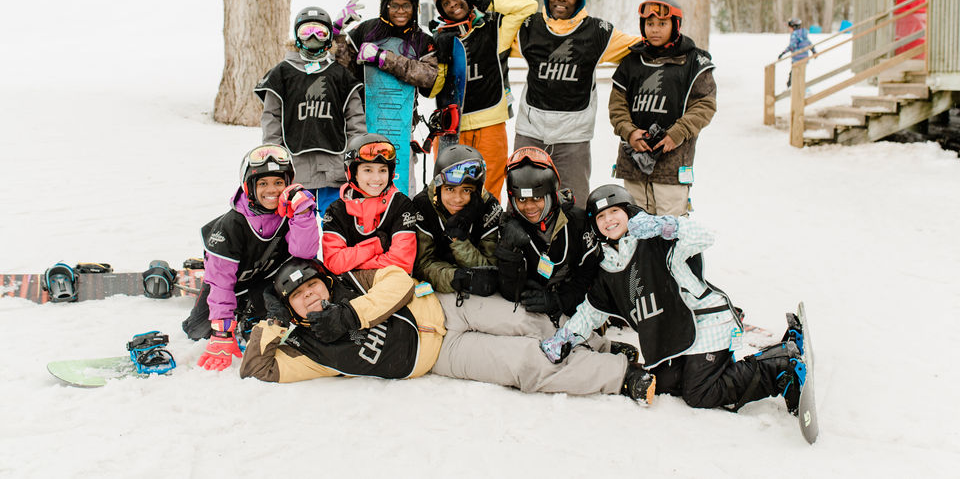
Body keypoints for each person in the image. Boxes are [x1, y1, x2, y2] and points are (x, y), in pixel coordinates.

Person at [238, 257, 656, 403]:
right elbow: (256, 368)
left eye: (312, 285)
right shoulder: (310, 350)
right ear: (291, 309)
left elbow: (398, 280)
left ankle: (603, 345)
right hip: (440, 357)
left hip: (444, 310)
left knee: (526, 321)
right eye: (299, 296)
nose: (311, 296)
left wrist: (352, 315)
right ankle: (620, 377)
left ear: (324, 282)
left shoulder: (351, 284)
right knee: (525, 363)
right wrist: (273, 322)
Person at [540, 184, 806, 414]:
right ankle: (753, 362)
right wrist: (566, 337)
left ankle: (781, 367)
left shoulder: (655, 241)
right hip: (674, 338)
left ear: (628, 212)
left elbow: (705, 236)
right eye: (600, 216)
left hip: (704, 323)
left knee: (699, 393)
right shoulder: (606, 269)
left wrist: (666, 225)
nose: (609, 220)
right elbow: (590, 313)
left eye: (614, 211)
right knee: (665, 383)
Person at [507, 0, 640, 208]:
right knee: (521, 197)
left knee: (574, 204)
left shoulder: (598, 33)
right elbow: (497, 38)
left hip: (573, 137)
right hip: (531, 131)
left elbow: (641, 46)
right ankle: (518, 246)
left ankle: (574, 246)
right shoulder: (530, 27)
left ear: (579, 0)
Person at [183, 145, 320, 372]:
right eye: (263, 184)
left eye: (278, 182)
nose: (272, 190)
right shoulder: (231, 226)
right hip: (231, 284)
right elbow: (222, 283)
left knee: (293, 288)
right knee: (197, 330)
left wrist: (303, 215)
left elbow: (304, 255)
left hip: (267, 280)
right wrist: (222, 332)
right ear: (249, 186)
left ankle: (250, 312)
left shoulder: (291, 212)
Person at [428, 0, 538, 200]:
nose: (452, 5)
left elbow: (529, 7)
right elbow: (431, 91)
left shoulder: (493, 29)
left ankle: (489, 231)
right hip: (452, 128)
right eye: (445, 3)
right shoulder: (440, 39)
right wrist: (441, 58)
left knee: (489, 187)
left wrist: (489, 1)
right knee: (453, 189)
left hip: (490, 124)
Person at [610, 0, 716, 216]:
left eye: (662, 24)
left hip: (673, 162)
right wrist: (629, 132)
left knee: (671, 227)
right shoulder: (631, 61)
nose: (655, 29)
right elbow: (617, 105)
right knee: (636, 224)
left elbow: (704, 105)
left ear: (675, 25)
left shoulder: (694, 62)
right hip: (634, 160)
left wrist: (677, 133)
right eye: (649, 24)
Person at [255, 6, 367, 216]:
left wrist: (356, 156)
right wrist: (274, 155)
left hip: (334, 169)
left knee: (337, 226)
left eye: (320, 32)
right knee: (299, 229)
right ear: (296, 36)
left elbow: (355, 119)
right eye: (306, 32)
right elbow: (271, 117)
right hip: (296, 170)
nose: (313, 37)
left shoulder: (340, 74)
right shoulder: (282, 73)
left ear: (328, 38)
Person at [334, 0, 439, 195]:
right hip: (366, 121)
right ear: (385, 6)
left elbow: (428, 76)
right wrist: (337, 33)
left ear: (415, 7)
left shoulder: (422, 40)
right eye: (394, 6)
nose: (401, 11)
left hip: (402, 125)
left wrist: (384, 58)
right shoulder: (366, 31)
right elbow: (342, 69)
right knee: (367, 181)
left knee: (400, 184)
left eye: (407, 6)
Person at [494, 146, 599, 324]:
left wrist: (558, 300)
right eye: (521, 199)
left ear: (551, 194)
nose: (529, 207)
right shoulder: (510, 228)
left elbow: (590, 277)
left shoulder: (577, 222)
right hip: (530, 310)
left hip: (573, 303)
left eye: (537, 198)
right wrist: (507, 252)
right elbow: (509, 291)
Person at [320, 133, 419, 275]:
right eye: (368, 170)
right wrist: (375, 246)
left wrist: (352, 264)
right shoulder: (337, 210)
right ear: (353, 173)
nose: (377, 178)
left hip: (390, 282)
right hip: (350, 286)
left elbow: (402, 263)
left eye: (383, 170)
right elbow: (333, 262)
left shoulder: (400, 205)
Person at [412, 144, 503, 298]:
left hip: (479, 292)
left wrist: (459, 240)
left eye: (466, 190)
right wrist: (457, 278)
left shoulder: (489, 208)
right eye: (450, 189)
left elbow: (491, 271)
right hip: (440, 287)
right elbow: (422, 265)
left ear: (477, 190)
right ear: (438, 188)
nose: (457, 199)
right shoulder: (423, 205)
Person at [779, 17, 818, 88]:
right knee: (799, 75)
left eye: (789, 28)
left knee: (794, 75)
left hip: (797, 58)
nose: (789, 29)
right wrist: (814, 51)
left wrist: (783, 53)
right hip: (804, 58)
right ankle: (798, 89)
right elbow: (809, 44)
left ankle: (794, 89)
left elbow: (792, 46)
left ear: (793, 27)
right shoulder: (804, 34)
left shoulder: (794, 34)